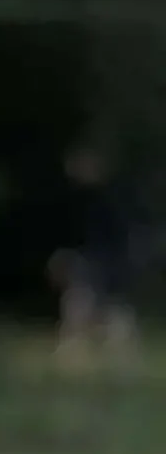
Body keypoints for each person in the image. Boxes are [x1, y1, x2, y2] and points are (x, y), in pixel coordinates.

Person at [50, 144, 140, 364]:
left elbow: (115, 239)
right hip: (95, 265)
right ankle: (79, 354)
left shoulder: (107, 200)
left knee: (91, 309)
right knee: (94, 310)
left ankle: (76, 354)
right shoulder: (86, 200)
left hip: (101, 265)